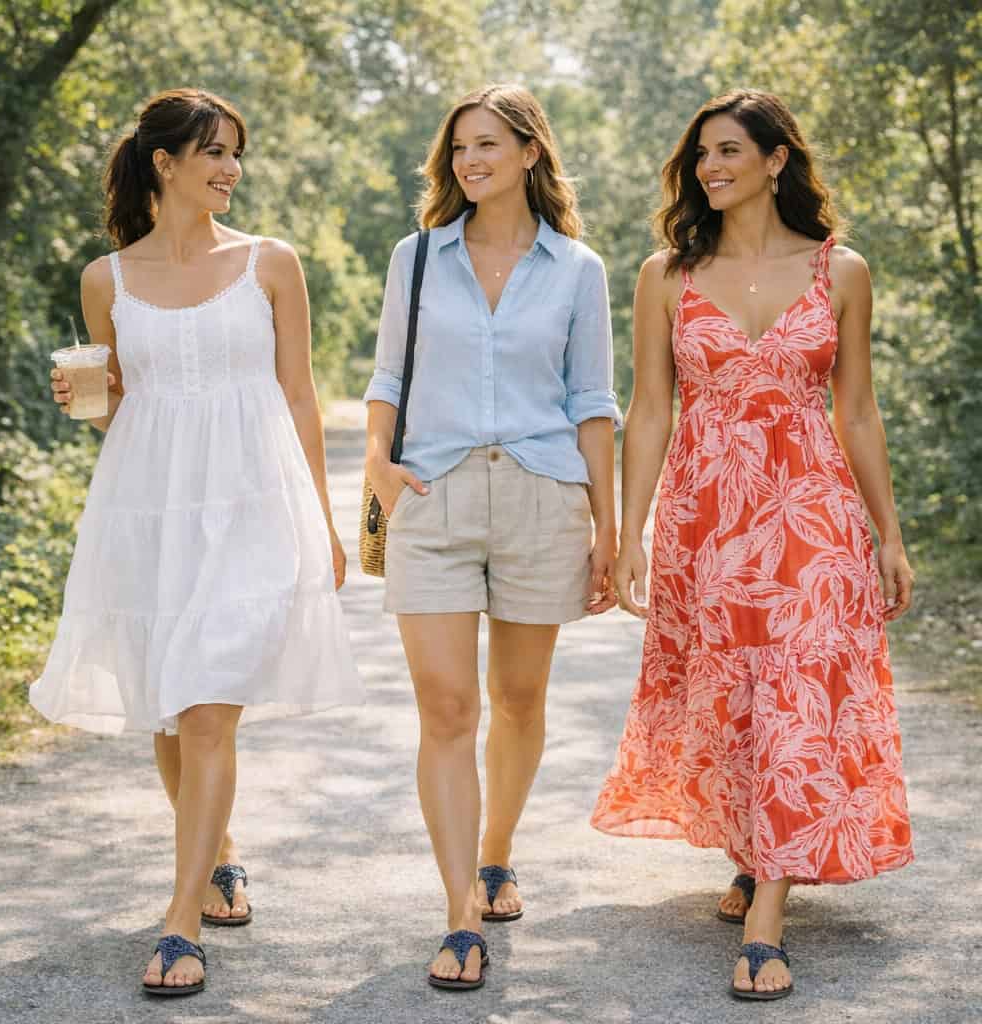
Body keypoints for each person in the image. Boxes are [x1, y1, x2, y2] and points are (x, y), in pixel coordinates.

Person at [31, 88, 362, 996]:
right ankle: (216, 856)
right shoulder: (106, 279)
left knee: (210, 709)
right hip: (148, 510)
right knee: (172, 711)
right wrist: (85, 404)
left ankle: (180, 925)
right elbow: (122, 415)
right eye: (214, 151)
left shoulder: (269, 262)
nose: (231, 168)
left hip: (253, 509)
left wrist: (323, 521)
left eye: (235, 152)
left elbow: (299, 396)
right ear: (164, 162)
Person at [591, 88, 914, 1001]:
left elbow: (857, 410)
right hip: (708, 518)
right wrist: (632, 533)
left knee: (799, 690)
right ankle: (758, 847)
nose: (711, 167)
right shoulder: (668, 274)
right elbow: (649, 411)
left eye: (730, 150)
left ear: (777, 161)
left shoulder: (840, 270)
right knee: (735, 695)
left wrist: (888, 534)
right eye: (702, 155)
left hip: (812, 516)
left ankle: (767, 916)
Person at [364, 83, 621, 990]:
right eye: (459, 148)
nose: (469, 161)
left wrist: (609, 526)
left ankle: (496, 851)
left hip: (541, 497)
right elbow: (387, 375)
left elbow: (593, 403)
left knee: (517, 699)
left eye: (487, 145)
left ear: (529, 152)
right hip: (432, 495)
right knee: (446, 709)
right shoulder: (418, 258)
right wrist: (378, 469)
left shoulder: (577, 269)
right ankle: (459, 915)